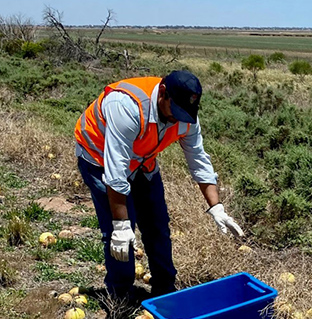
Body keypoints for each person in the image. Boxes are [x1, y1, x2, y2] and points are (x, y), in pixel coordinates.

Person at [75, 70, 243, 302]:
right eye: (174, 112)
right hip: (98, 156)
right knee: (119, 234)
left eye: (183, 114)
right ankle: (121, 297)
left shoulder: (185, 116)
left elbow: (199, 160)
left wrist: (217, 208)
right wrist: (122, 225)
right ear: (163, 93)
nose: (177, 119)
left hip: (142, 160)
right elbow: (115, 174)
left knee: (157, 225)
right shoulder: (127, 107)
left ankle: (164, 291)